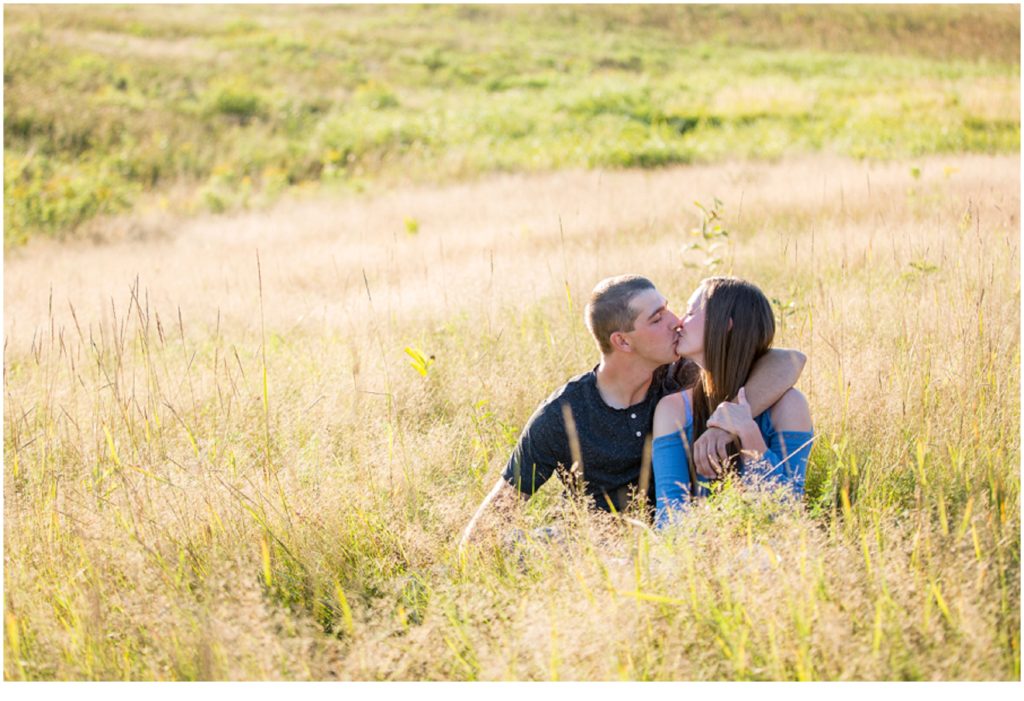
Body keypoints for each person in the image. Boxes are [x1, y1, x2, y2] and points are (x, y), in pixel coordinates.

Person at [459, 274, 806, 549]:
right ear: (623, 342)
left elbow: (788, 360)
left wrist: (726, 426)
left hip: (672, 546)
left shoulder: (682, 374)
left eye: (672, 309)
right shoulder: (563, 416)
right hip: (595, 548)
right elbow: (486, 526)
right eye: (657, 318)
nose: (675, 322)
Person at [652, 276, 814, 526]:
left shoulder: (789, 407)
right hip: (702, 553)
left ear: (725, 325)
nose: (679, 323)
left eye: (690, 312)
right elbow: (669, 516)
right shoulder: (673, 410)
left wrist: (748, 433)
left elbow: (787, 516)